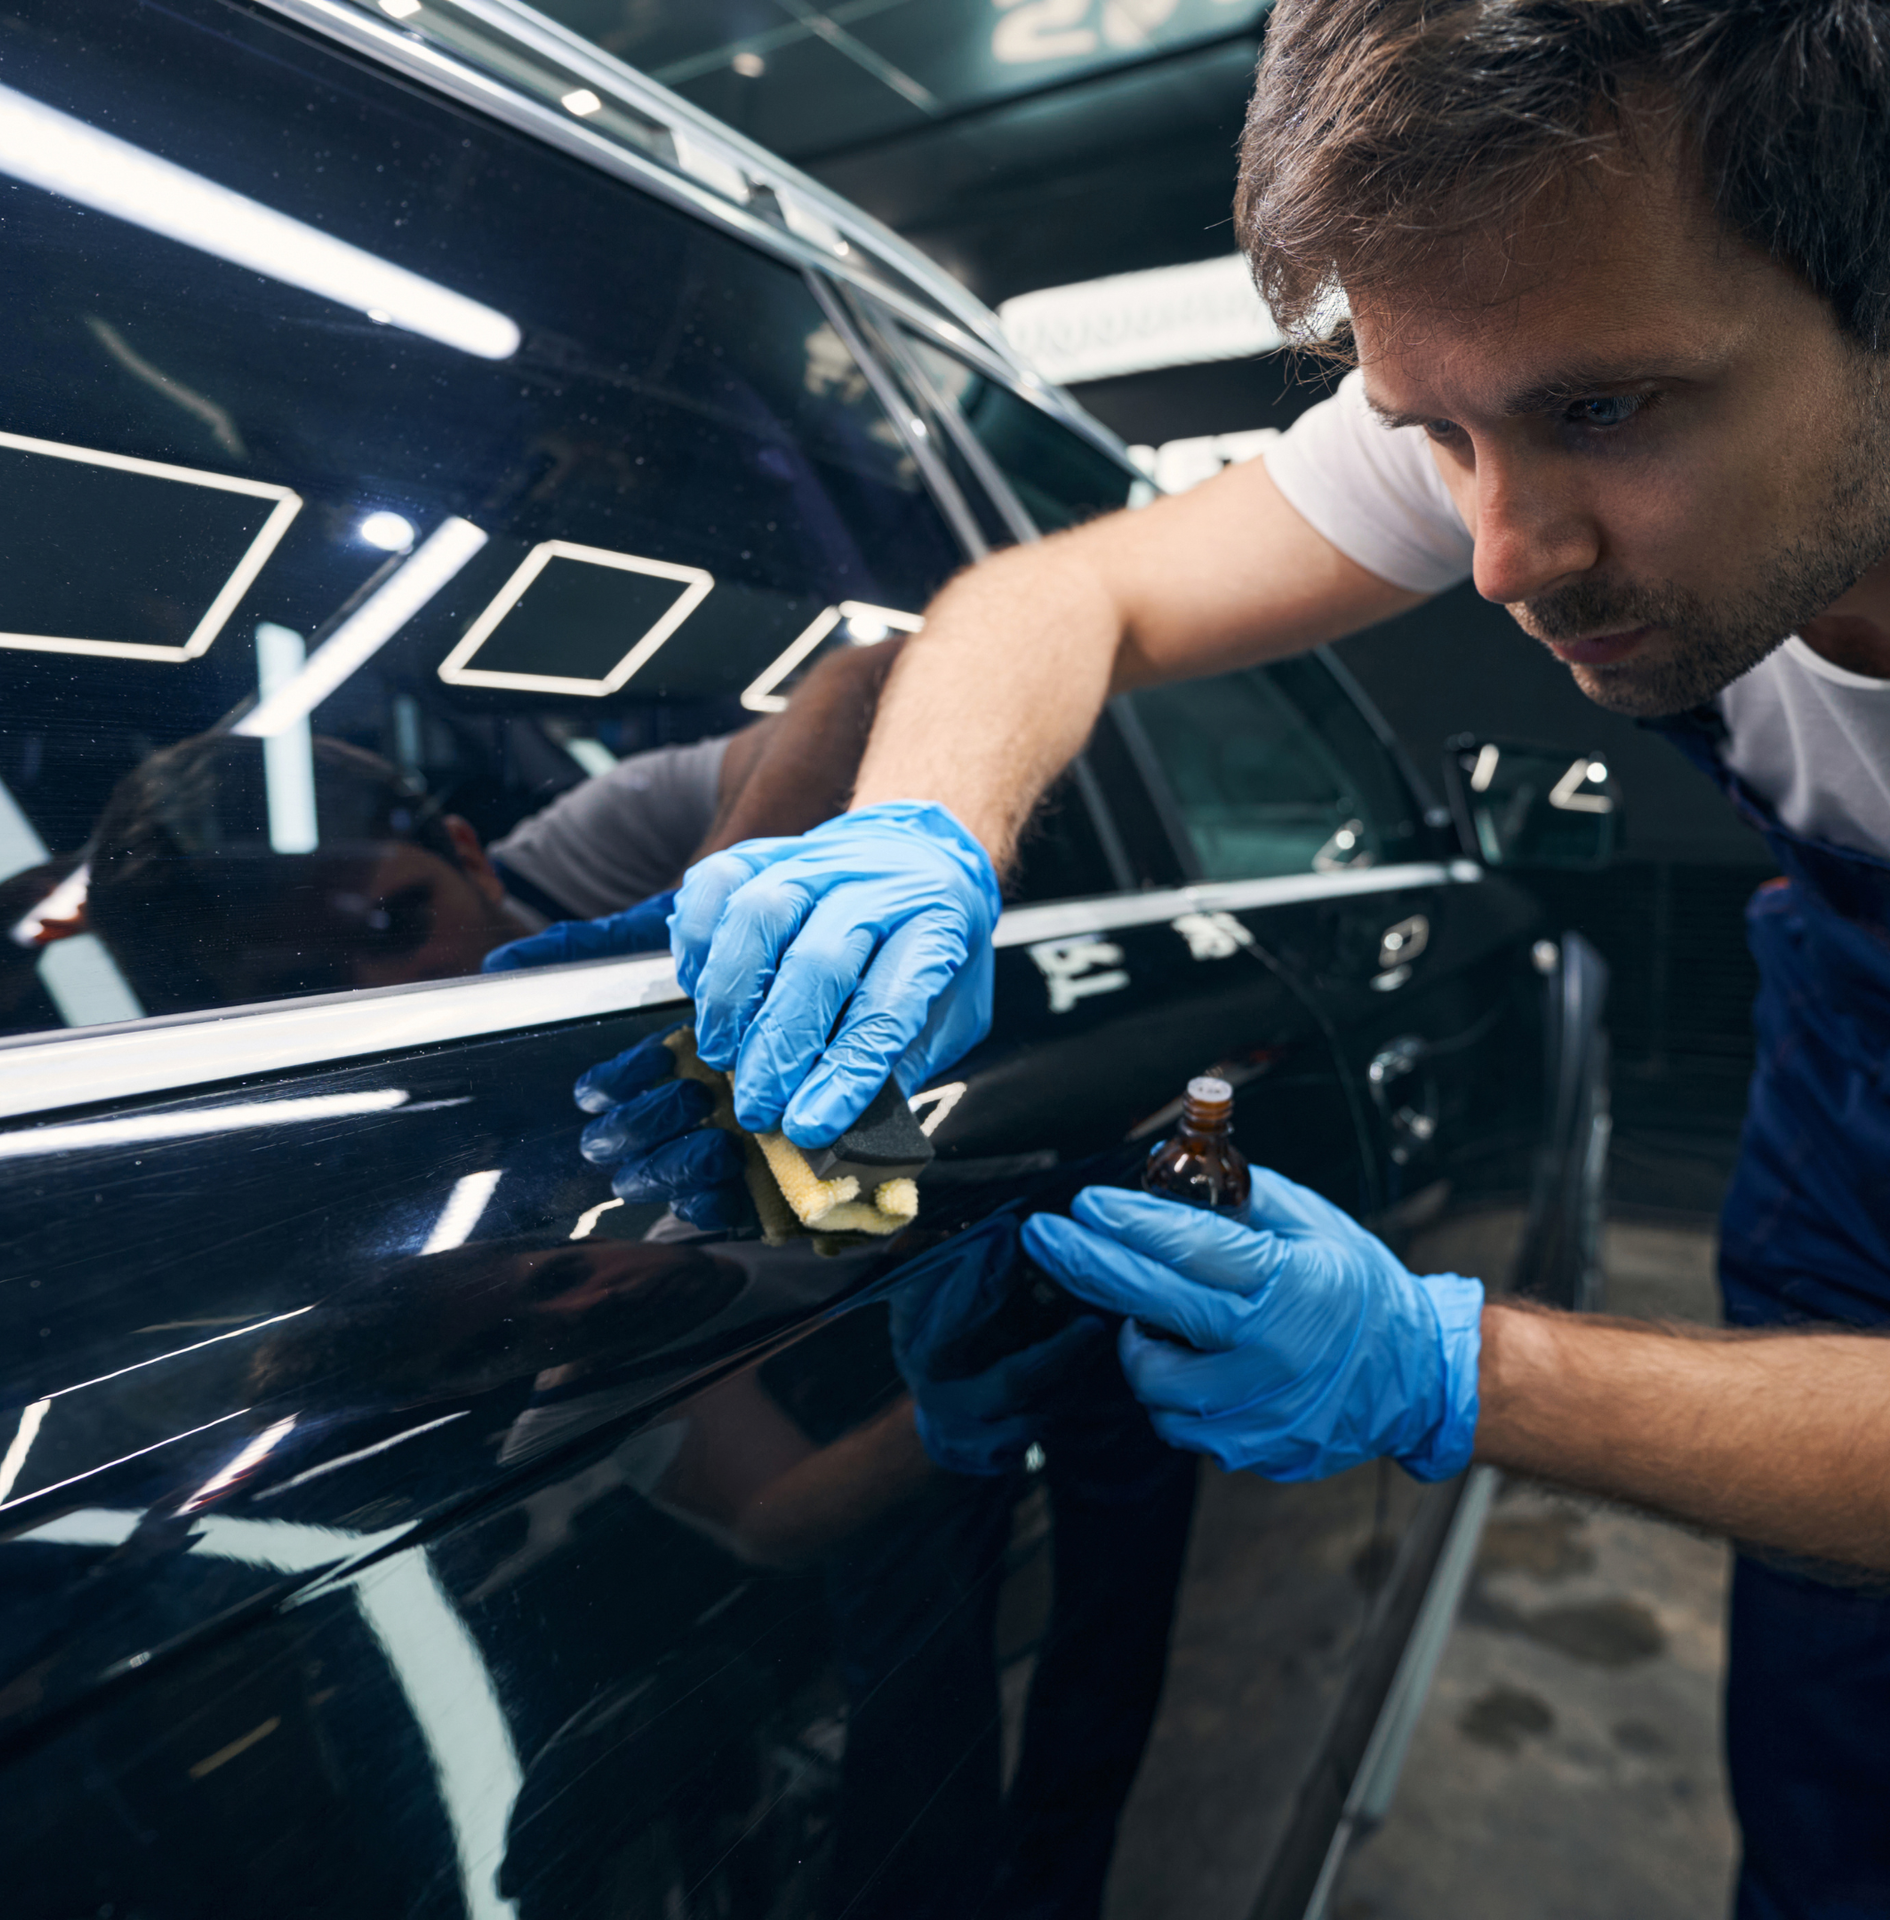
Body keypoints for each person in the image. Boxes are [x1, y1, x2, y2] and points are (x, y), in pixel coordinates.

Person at [652, 4, 1890, 1911]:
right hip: (1849, 1030)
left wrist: (1451, 1368)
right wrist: (924, 834)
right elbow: (1075, 589)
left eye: (1606, 413)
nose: (1501, 553)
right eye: (1432, 434)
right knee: (1837, 1721)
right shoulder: (1529, 367)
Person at [66, 636, 902, 1014]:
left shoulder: (589, 845)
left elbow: (868, 673)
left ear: (471, 856)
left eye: (397, 925)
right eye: (302, 988)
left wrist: (724, 908)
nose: (390, 993)